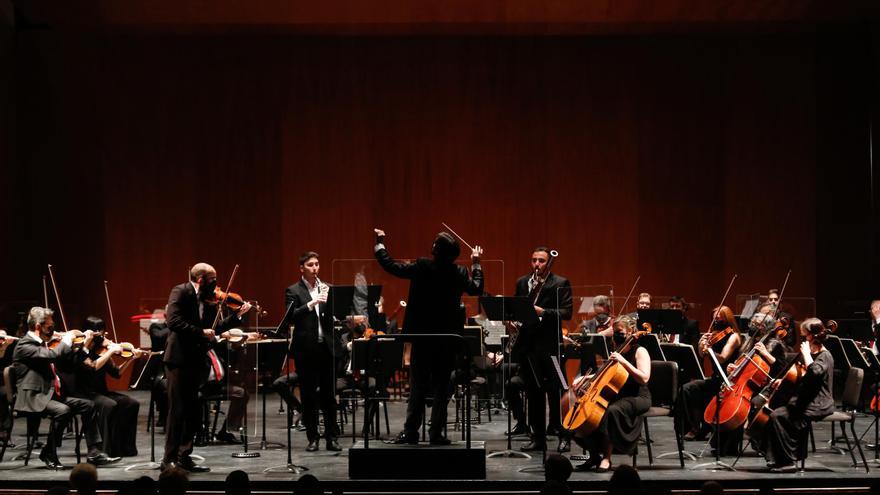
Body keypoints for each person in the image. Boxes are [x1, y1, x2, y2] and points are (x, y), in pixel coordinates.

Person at [374, 228, 483, 445]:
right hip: (446, 340)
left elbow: (392, 267)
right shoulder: (459, 272)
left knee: (418, 386)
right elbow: (477, 288)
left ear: (435, 249)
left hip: (423, 338)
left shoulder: (423, 266)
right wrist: (477, 263)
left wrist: (380, 245)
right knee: (442, 388)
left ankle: (411, 431)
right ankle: (436, 434)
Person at [162, 263, 251, 473]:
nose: (216, 285)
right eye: (213, 280)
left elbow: (214, 329)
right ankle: (169, 459)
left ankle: (185, 456)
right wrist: (200, 332)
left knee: (193, 412)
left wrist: (237, 317)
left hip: (197, 361)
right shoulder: (181, 291)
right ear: (201, 279)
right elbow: (173, 322)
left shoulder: (208, 300)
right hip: (178, 359)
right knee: (177, 411)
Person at [12, 307, 118, 469]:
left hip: (51, 394)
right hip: (34, 396)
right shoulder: (24, 345)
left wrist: (84, 344)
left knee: (89, 405)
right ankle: (49, 452)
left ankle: (94, 452)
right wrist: (66, 340)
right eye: (50, 327)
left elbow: (70, 359)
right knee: (63, 410)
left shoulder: (47, 343)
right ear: (38, 327)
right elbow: (52, 356)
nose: (53, 330)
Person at [572, 316, 650, 472]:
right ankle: (594, 455)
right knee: (586, 412)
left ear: (631, 331)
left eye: (620, 332)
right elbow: (605, 373)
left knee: (611, 411)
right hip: (618, 393)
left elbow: (644, 378)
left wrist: (623, 361)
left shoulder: (640, 351)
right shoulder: (617, 349)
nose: (616, 335)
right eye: (615, 332)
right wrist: (584, 378)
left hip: (638, 395)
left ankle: (607, 458)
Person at [281, 251, 342, 452]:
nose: (315, 268)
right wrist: (312, 303)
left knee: (329, 395)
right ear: (302, 268)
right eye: (310, 265)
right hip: (306, 350)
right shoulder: (293, 291)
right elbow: (291, 317)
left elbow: (336, 315)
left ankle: (332, 437)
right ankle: (313, 438)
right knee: (308, 396)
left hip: (326, 348)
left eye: (317, 264)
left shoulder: (328, 288)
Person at [514, 247, 572, 453]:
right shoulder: (522, 282)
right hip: (529, 348)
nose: (536, 264)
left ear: (548, 263)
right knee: (534, 394)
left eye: (541, 261)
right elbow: (518, 307)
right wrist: (515, 319)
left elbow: (567, 312)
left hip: (552, 347)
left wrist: (543, 311)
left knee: (559, 392)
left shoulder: (560, 283)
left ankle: (565, 436)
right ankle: (538, 438)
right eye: (533, 260)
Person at [760, 318, 834, 472]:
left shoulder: (824, 356)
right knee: (777, 413)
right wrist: (783, 380)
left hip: (818, 402)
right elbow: (802, 377)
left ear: (812, 336)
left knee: (779, 416)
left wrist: (806, 354)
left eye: (804, 335)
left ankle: (788, 461)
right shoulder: (812, 353)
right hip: (805, 399)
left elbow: (814, 373)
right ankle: (778, 458)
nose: (802, 339)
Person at [60, 316, 141, 458]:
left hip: (100, 392)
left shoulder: (102, 350)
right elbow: (93, 367)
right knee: (108, 405)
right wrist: (110, 351)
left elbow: (117, 373)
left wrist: (130, 359)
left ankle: (124, 448)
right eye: (99, 333)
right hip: (83, 393)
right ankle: (104, 449)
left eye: (103, 332)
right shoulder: (79, 350)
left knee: (131, 403)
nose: (103, 336)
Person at [678, 306, 741, 442]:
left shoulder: (734, 336)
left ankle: (703, 429)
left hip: (728, 380)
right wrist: (701, 346)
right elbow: (701, 355)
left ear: (727, 318)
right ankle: (693, 427)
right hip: (715, 377)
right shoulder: (714, 334)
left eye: (719, 318)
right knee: (687, 389)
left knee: (703, 393)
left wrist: (710, 349)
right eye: (714, 318)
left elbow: (723, 357)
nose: (716, 320)